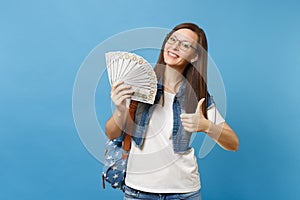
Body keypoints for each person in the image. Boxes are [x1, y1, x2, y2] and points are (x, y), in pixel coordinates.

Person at [105, 22, 239, 200]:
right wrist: (121, 108)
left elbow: (233, 143)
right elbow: (111, 133)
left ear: (195, 56)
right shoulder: (138, 85)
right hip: (138, 192)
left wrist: (207, 126)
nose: (174, 46)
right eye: (172, 39)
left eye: (185, 45)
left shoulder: (198, 96)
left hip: (184, 192)